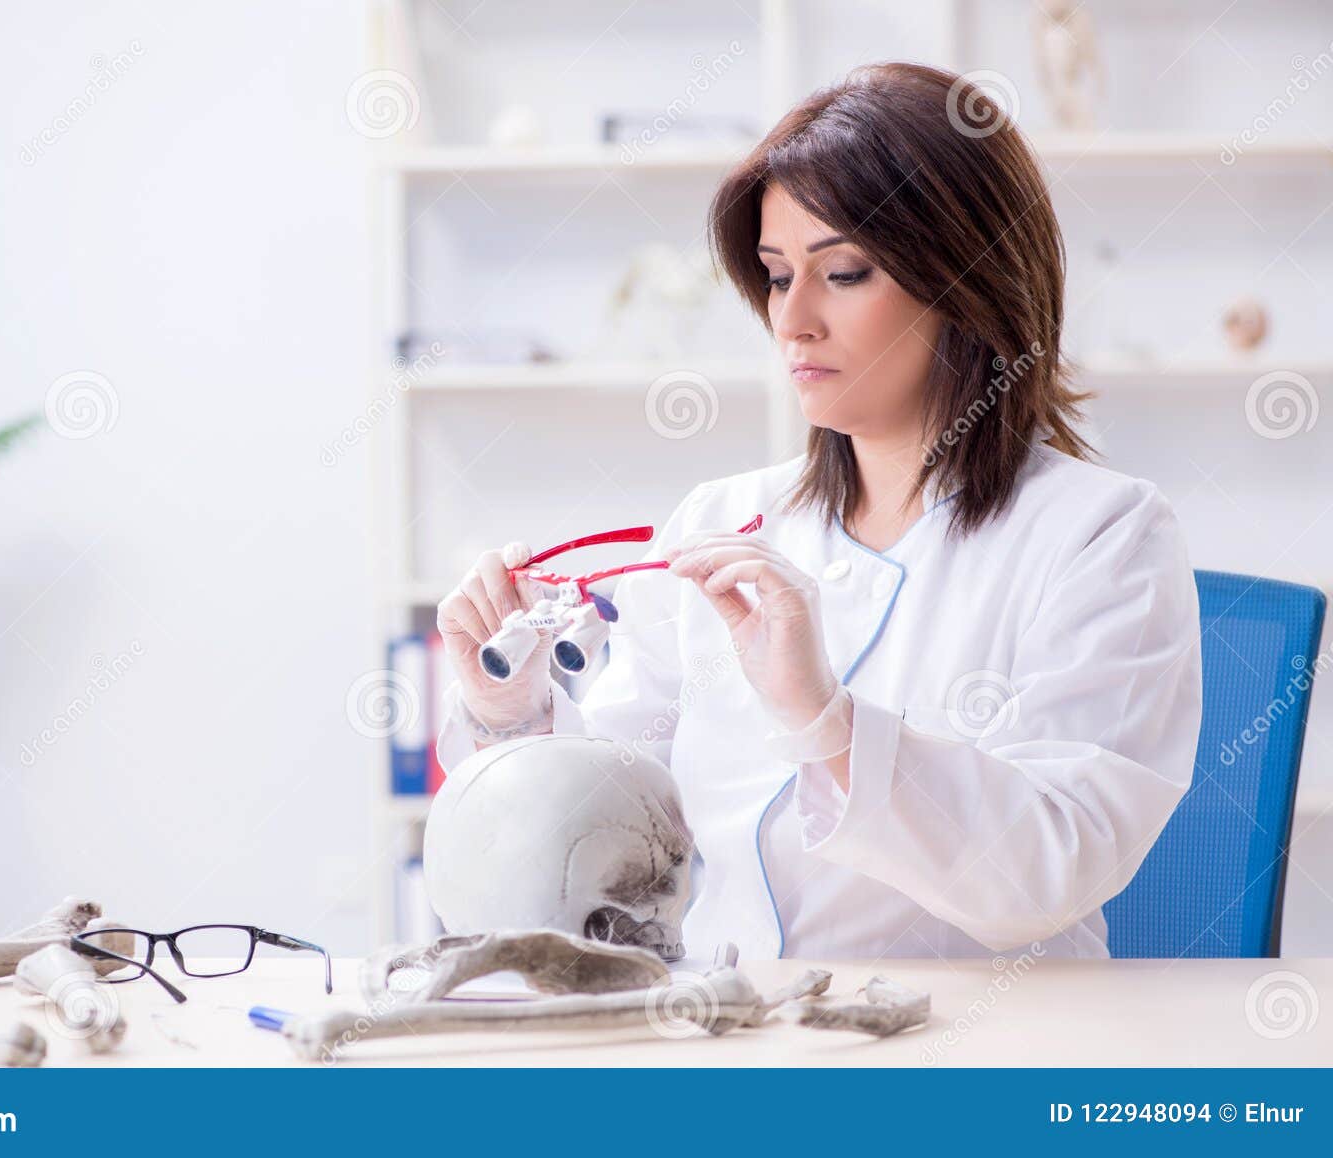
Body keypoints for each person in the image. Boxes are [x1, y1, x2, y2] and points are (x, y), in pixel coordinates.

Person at [433, 62, 1202, 961]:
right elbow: (624, 805)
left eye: (842, 272)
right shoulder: (725, 518)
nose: (792, 319)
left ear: (968, 283)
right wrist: (513, 714)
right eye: (773, 274)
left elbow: (1049, 869)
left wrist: (824, 723)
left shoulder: (1099, 536)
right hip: (722, 1034)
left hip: (971, 1057)